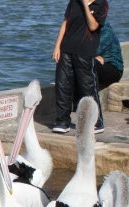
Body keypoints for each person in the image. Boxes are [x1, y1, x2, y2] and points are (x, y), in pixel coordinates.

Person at [52, 0, 109, 134]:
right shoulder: (73, 2)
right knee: (62, 86)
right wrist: (57, 46)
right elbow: (66, 22)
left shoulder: (101, 4)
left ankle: (96, 122)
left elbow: (93, 26)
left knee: (87, 87)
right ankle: (62, 121)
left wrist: (85, 5)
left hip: (85, 51)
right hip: (66, 49)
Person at [95, 21, 124, 91]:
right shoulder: (83, 30)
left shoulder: (105, 29)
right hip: (99, 64)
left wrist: (93, 57)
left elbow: (91, 51)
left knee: (86, 61)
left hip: (113, 69)